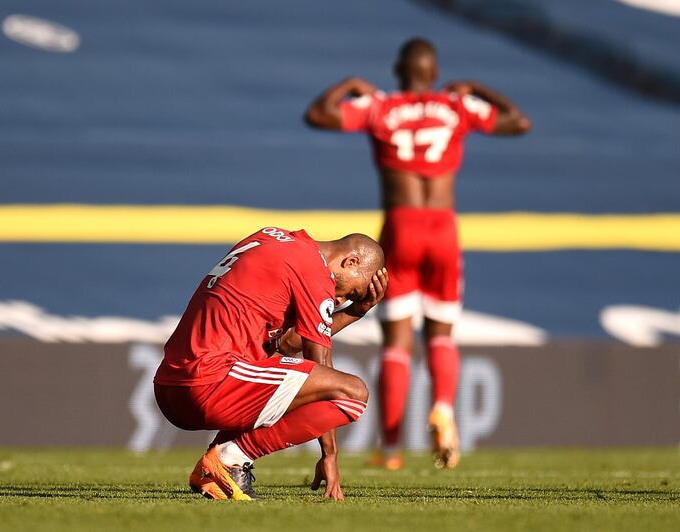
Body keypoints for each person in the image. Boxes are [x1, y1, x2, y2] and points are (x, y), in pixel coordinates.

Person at [305, 38, 531, 469]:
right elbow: (518, 122)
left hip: (401, 227)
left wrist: (349, 84)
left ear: (397, 70)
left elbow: (318, 114)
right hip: (443, 226)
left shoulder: (382, 108)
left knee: (397, 341)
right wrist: (479, 90)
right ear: (434, 72)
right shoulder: (454, 108)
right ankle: (443, 406)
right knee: (442, 333)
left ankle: (390, 449)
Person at [154, 226, 387, 501]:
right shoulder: (313, 268)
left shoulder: (271, 238)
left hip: (171, 385)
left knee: (272, 364)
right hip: (207, 381)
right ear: (351, 262)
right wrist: (330, 454)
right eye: (354, 292)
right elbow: (319, 363)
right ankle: (230, 458)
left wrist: (354, 314)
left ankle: (217, 472)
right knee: (353, 393)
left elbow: (287, 345)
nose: (342, 300)